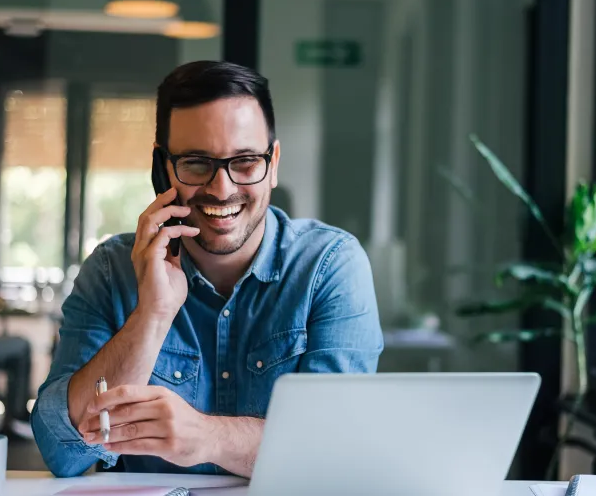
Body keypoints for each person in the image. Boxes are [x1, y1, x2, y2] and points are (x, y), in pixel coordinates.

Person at [31, 61, 383, 478]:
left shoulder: (330, 266)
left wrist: (206, 436)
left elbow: (336, 451)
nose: (222, 188)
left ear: (274, 163)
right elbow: (62, 452)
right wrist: (152, 316)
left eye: (246, 162)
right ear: (163, 168)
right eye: (197, 163)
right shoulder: (111, 270)